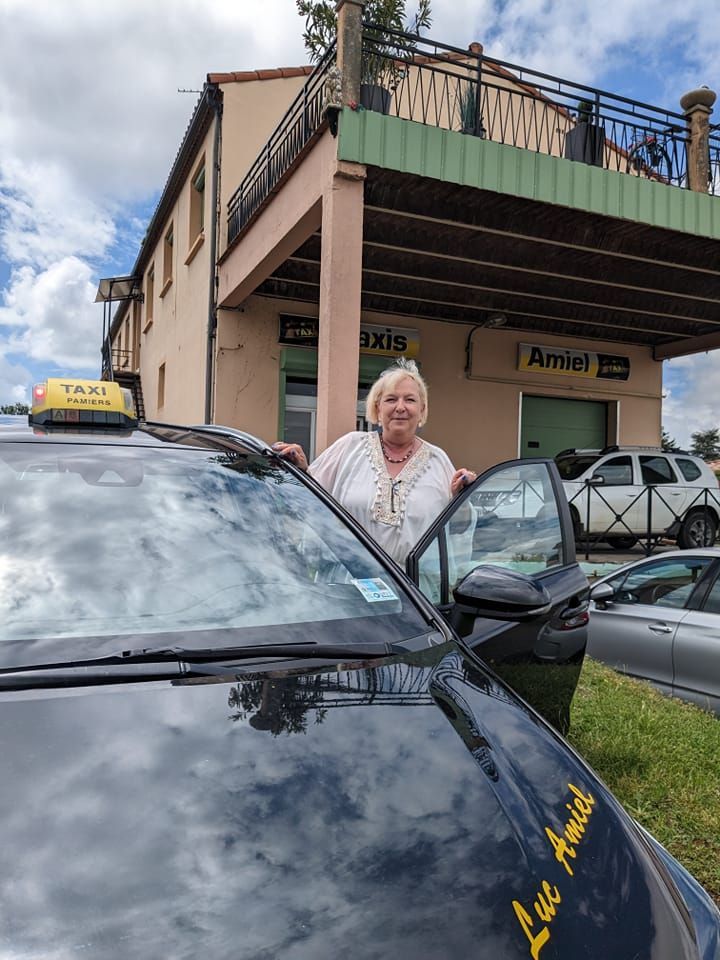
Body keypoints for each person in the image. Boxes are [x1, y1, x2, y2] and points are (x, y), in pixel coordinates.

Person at [272, 359, 476, 565]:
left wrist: (463, 496)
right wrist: (301, 470)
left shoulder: (437, 460)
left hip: (414, 588)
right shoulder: (350, 447)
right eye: (391, 399)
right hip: (350, 583)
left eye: (410, 400)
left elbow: (458, 528)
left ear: (422, 410)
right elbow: (310, 499)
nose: (400, 407)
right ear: (377, 408)